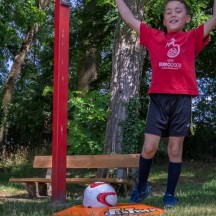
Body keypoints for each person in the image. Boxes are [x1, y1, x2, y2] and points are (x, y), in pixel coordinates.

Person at [115, 0, 216, 208]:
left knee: (175, 149)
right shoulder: (154, 37)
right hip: (159, 100)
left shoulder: (192, 38)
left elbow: (214, 19)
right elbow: (129, 18)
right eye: (168, 12)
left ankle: (169, 194)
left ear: (187, 18)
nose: (173, 14)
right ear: (163, 20)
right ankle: (141, 187)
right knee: (150, 147)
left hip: (182, 100)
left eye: (178, 11)